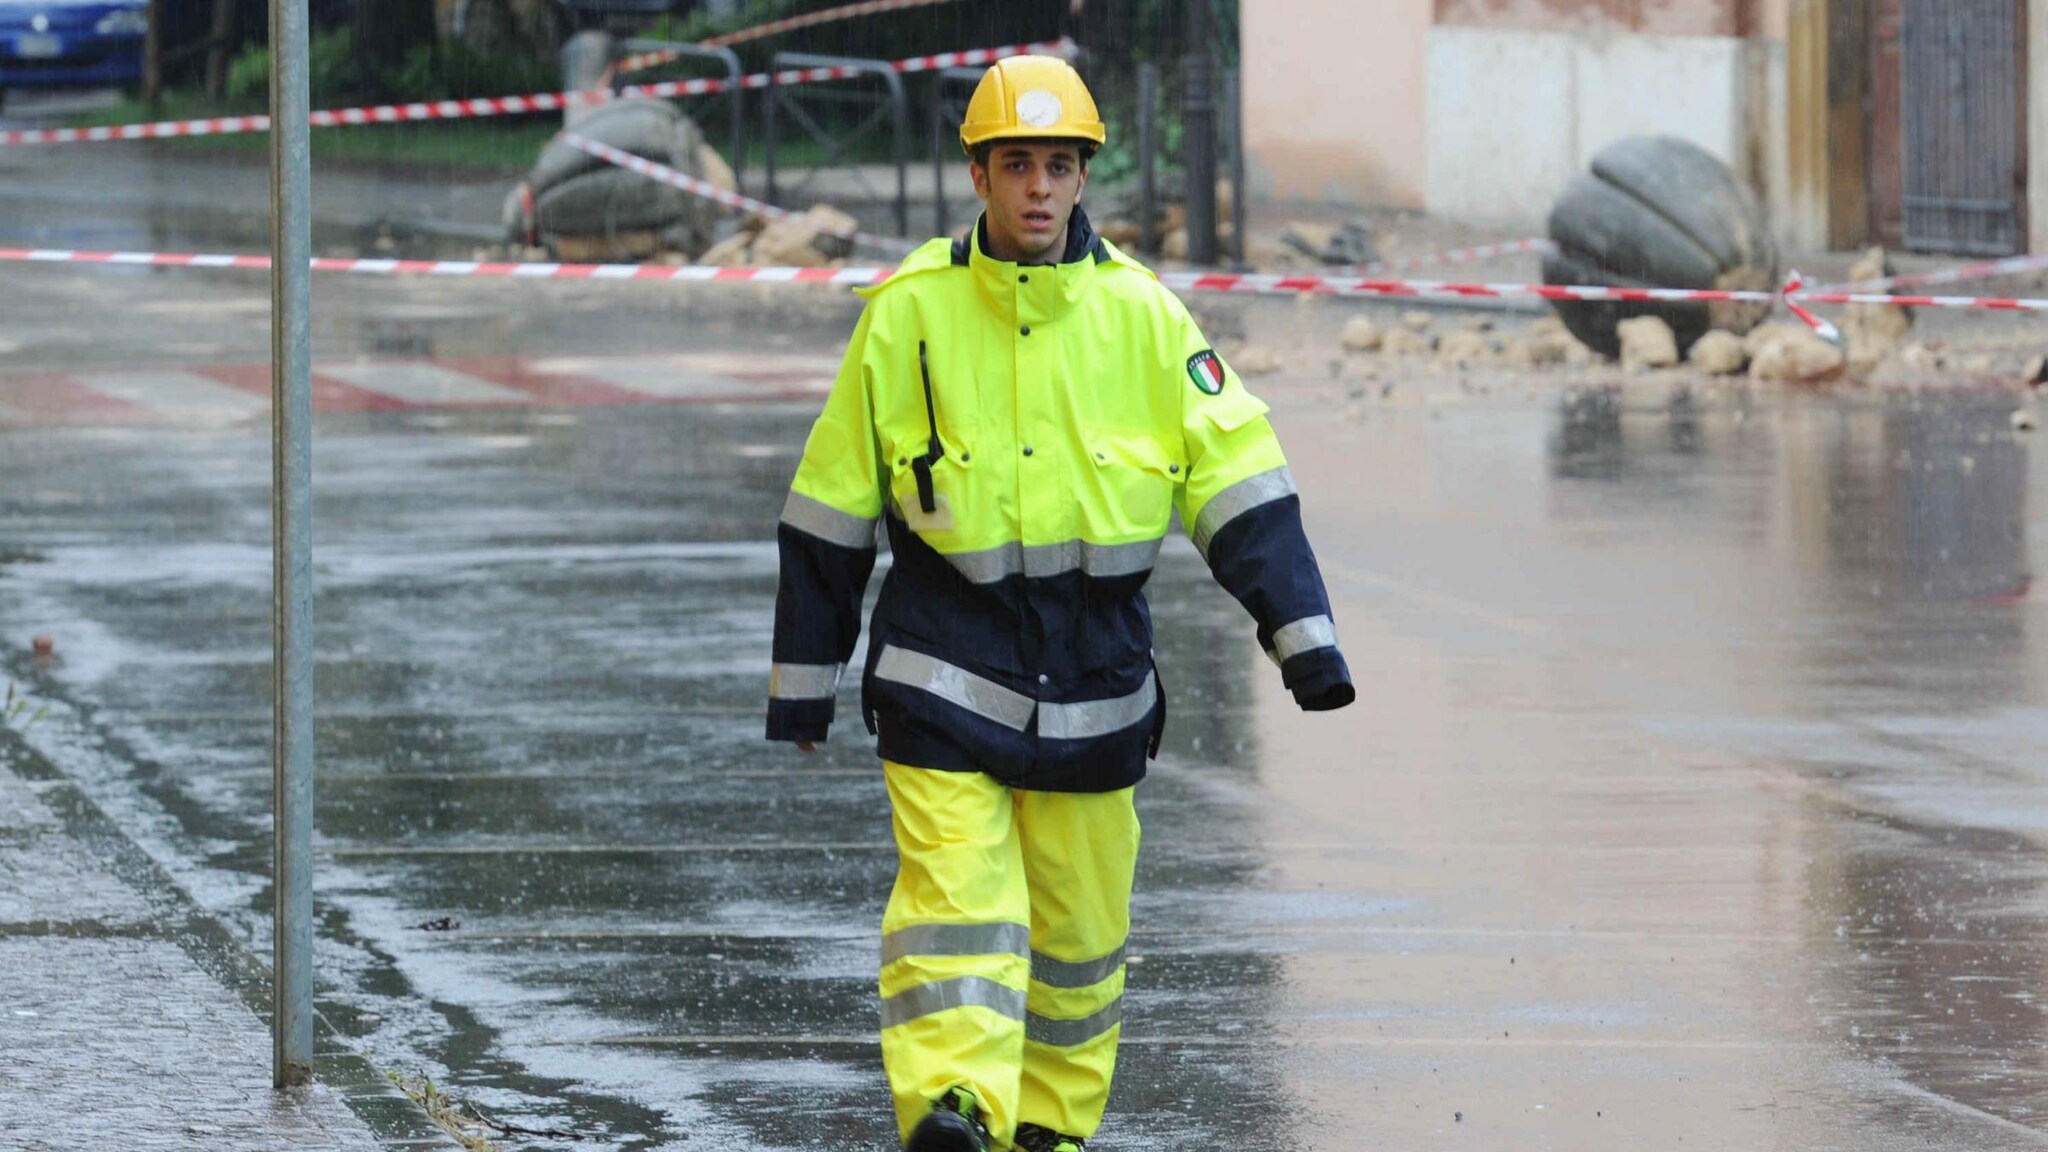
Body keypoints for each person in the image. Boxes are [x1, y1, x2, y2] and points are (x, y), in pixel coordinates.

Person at [766, 54, 1354, 1152]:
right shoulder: (907, 317)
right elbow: (831, 507)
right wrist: (802, 685)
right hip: (942, 672)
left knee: (1080, 947)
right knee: (955, 918)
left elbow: (1239, 485)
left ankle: (1046, 1132)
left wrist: (1302, 638)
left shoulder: (1145, 320)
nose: (1037, 186)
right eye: (1015, 164)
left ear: (1083, 178)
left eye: (1058, 165)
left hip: (1095, 690)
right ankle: (954, 1111)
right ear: (977, 177)